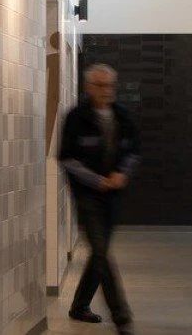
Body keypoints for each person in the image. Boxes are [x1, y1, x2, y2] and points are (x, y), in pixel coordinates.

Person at [57, 64, 139, 334]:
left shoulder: (122, 116)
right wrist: (96, 180)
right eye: (101, 86)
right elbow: (66, 158)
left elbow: (133, 151)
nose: (107, 91)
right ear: (89, 87)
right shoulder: (76, 117)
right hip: (87, 196)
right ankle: (121, 317)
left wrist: (122, 173)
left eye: (110, 85)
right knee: (102, 252)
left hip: (113, 196)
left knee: (99, 252)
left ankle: (79, 306)